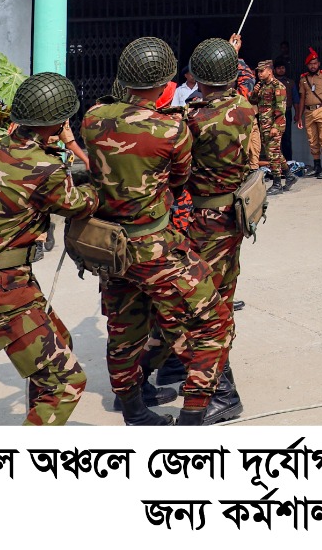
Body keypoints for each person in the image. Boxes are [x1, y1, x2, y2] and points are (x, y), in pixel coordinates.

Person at [82, 38, 229, 425]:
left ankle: (134, 411)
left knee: (123, 330)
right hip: (153, 248)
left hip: (110, 248)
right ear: (166, 83)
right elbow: (180, 181)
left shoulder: (93, 118)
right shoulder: (171, 131)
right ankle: (194, 415)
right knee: (214, 323)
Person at [0, 73, 100, 425]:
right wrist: (73, 146)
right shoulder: (46, 168)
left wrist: (57, 143)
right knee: (67, 382)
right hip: (1, 289)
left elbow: (39, 175)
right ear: (58, 122)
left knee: (60, 343)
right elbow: (85, 201)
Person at [180, 37, 260, 423]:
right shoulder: (244, 107)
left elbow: (177, 171)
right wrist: (234, 53)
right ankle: (205, 375)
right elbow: (240, 79)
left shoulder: (193, 119)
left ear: (198, 76)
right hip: (234, 217)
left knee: (203, 308)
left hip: (205, 223)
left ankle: (222, 391)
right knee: (223, 297)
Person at [252, 59, 293, 195]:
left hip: (274, 124)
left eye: (262, 71)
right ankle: (289, 175)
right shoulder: (262, 86)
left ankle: (277, 183)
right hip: (264, 124)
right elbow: (253, 101)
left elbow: (281, 109)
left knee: (272, 154)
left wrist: (276, 126)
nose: (259, 74)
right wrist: (254, 92)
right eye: (258, 71)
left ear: (270, 71)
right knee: (275, 152)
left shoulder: (278, 86)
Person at [297, 48, 322, 179]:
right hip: (308, 112)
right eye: (310, 64)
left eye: (315, 63)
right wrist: (299, 116)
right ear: (307, 65)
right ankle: (317, 167)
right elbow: (302, 98)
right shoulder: (303, 78)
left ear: (318, 64)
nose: (313, 66)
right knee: (312, 140)